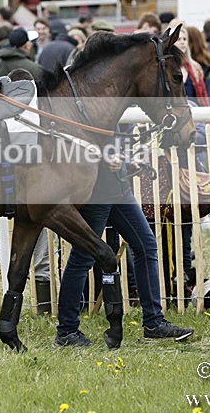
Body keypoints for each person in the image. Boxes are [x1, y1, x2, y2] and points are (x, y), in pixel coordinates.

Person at [55, 139, 194, 346]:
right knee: (83, 256)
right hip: (97, 192)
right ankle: (66, 332)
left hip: (119, 188)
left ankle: (154, 323)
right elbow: (70, 142)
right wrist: (104, 159)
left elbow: (113, 140)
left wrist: (128, 160)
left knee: (146, 246)